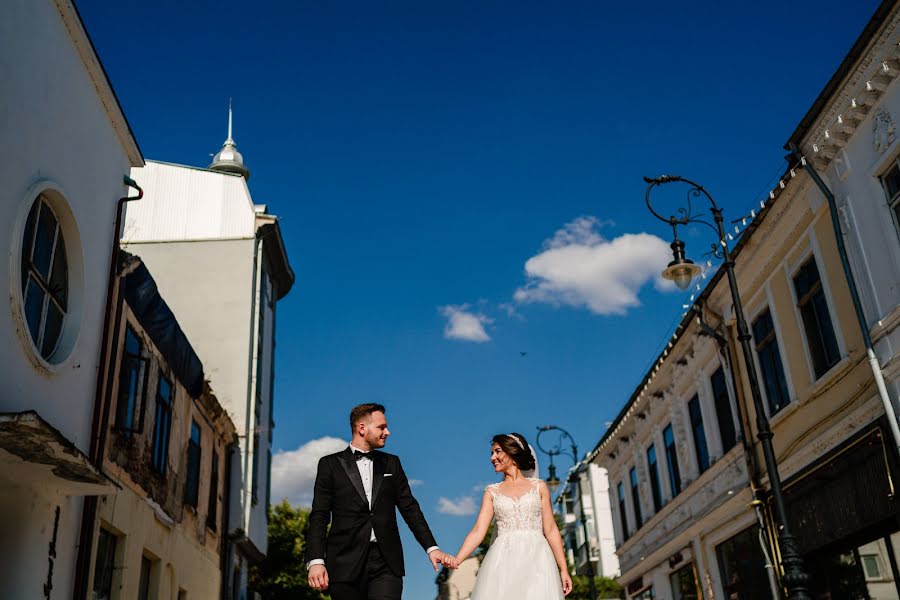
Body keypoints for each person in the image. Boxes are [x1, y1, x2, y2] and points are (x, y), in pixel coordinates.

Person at [306, 403, 451, 600]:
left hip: (386, 562)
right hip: (344, 563)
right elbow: (319, 515)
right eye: (381, 427)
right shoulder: (329, 465)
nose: (388, 432)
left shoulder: (392, 463)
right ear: (362, 429)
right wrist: (315, 560)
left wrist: (431, 548)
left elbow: (410, 508)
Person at [447, 432, 573, 599]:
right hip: (504, 560)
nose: (493, 457)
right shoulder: (492, 492)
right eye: (491, 453)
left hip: (537, 558)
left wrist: (563, 569)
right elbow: (478, 531)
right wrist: (458, 559)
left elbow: (550, 529)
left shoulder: (539, 487)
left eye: (497, 451)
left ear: (512, 451)